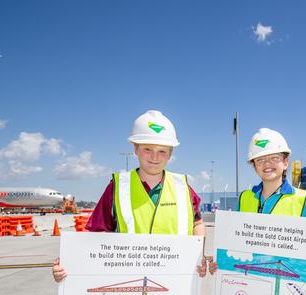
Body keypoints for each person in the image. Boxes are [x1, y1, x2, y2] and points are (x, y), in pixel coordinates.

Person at [53, 110, 209, 282]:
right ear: (135, 149)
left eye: (162, 151)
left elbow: (197, 223)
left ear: (171, 153)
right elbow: (96, 236)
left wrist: (198, 255)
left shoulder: (183, 187)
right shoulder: (117, 188)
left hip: (177, 280)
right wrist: (71, 263)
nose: (154, 157)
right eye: (147, 149)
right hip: (127, 281)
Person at [207, 128, 306, 294]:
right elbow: (234, 243)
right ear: (254, 165)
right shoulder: (245, 198)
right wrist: (220, 262)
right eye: (260, 160)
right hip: (250, 284)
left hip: (284, 287)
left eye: (274, 158)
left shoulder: (300, 199)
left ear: (285, 162)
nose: (267, 164)